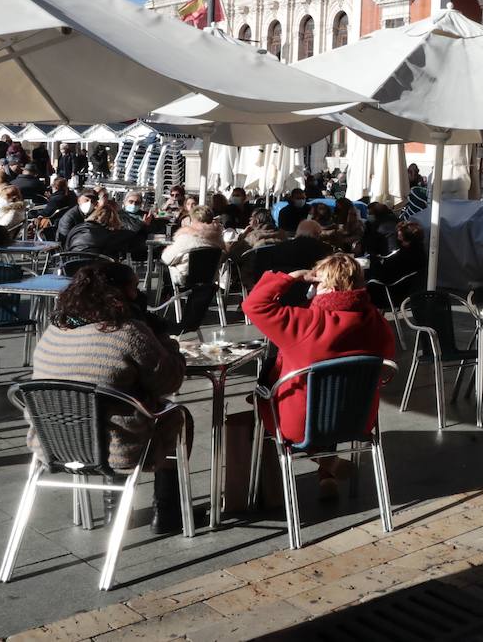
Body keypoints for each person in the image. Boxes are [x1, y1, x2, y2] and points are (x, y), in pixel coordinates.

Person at [28, 262, 191, 533]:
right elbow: (169, 381)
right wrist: (165, 342)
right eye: (134, 288)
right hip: (115, 447)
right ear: (119, 293)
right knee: (174, 416)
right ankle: (168, 511)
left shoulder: (53, 332)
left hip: (53, 443)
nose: (139, 294)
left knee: (110, 407)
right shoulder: (128, 333)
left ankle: (114, 511)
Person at [242, 253, 396, 501]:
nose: (312, 287)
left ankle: (319, 462)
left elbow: (253, 306)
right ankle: (327, 471)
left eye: (316, 282)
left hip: (300, 422)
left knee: (271, 396)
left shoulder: (304, 322)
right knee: (331, 394)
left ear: (330, 287)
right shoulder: (376, 320)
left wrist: (291, 278)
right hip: (359, 416)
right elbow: (387, 360)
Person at [160, 208, 225, 291]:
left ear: (193, 220)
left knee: (166, 266)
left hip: (185, 279)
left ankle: (166, 295)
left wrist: (168, 249)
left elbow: (167, 259)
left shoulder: (186, 238)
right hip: (210, 278)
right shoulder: (218, 239)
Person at [62, 200, 139, 258]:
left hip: (71, 264)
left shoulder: (77, 228)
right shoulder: (108, 234)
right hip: (95, 268)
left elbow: (67, 246)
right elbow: (129, 234)